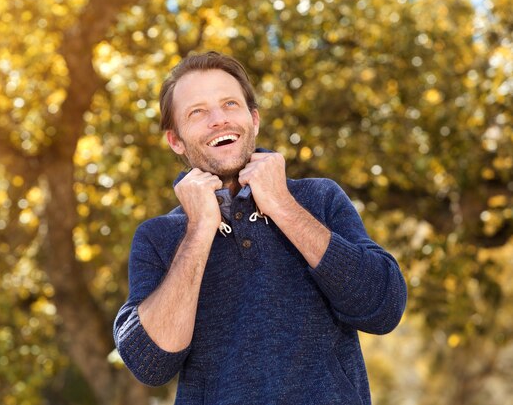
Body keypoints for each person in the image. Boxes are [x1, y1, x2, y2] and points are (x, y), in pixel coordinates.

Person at [113, 51, 407, 404]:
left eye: (229, 104)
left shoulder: (320, 198)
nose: (218, 120)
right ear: (175, 140)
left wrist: (283, 206)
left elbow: (384, 307)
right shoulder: (157, 237)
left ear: (253, 119)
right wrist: (199, 229)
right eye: (197, 112)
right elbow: (151, 364)